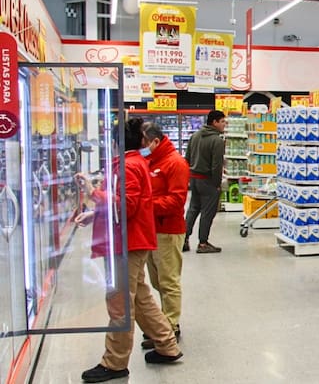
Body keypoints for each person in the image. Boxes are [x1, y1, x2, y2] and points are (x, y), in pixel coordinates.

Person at [77, 117, 182, 383]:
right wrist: (94, 214)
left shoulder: (128, 166)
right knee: (140, 298)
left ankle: (114, 363)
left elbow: (127, 205)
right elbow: (124, 205)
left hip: (127, 242)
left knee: (120, 303)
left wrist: (93, 193)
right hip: (130, 240)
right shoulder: (133, 164)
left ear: (114, 142)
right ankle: (167, 345)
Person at [140, 121, 189, 348]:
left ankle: (171, 326)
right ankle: (161, 323)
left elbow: (177, 200)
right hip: (151, 229)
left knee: (168, 280)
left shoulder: (175, 163)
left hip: (168, 230)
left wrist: (145, 205)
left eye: (143, 143)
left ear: (155, 141)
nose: (141, 148)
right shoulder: (150, 161)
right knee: (156, 280)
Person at [184, 109, 226, 253]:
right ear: (214, 122)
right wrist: (217, 184)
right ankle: (203, 243)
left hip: (194, 179)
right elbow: (216, 165)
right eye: (222, 122)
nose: (224, 125)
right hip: (208, 181)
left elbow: (187, 158)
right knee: (207, 212)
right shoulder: (217, 140)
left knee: (193, 209)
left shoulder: (194, 136)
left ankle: (184, 239)